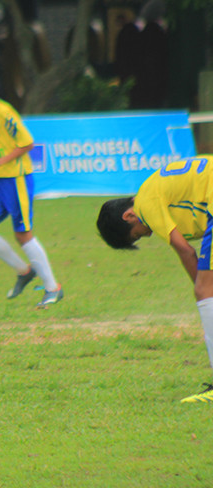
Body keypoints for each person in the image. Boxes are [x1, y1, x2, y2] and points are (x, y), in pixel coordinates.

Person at [96, 155, 213, 403]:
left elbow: (186, 251)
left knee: (204, 291)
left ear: (129, 216)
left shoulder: (146, 206)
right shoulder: (153, 188)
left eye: (136, 236)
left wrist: (204, 291)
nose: (145, 236)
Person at [0, 66, 63, 308]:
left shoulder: (5, 113)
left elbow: (27, 143)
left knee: (22, 234)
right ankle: (24, 271)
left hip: (17, 180)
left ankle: (53, 288)